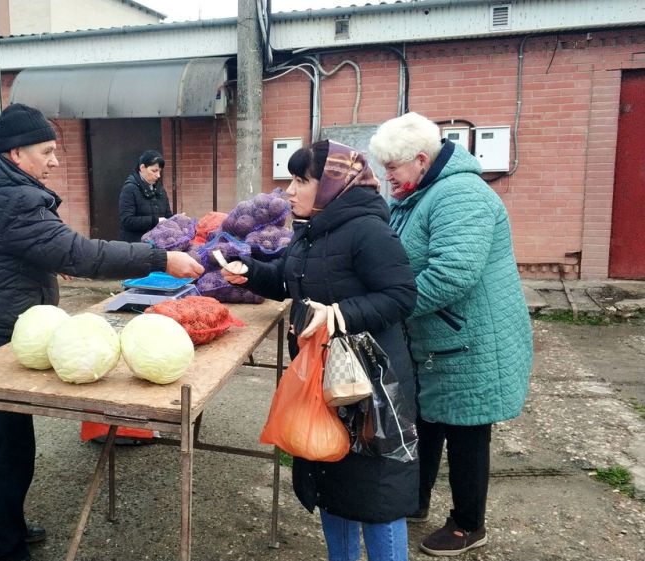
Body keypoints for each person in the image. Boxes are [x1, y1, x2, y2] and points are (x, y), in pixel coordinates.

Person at [0, 103, 203, 561]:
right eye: (46, 151)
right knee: (11, 449)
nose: (55, 161)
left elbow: (7, 250)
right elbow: (81, 255)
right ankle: (5, 549)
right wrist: (159, 259)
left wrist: (42, 259)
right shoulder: (14, 199)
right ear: (17, 153)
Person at [221, 140, 419, 561]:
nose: (289, 191)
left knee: (376, 492)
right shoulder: (312, 227)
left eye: (300, 180)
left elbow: (401, 296)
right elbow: (289, 282)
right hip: (322, 377)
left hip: (370, 384)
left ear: (333, 185)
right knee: (331, 473)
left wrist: (339, 313)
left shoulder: (368, 230)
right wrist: (250, 273)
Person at [369, 112, 533, 556]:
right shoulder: (420, 193)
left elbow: (452, 274)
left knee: (467, 428)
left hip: (472, 337)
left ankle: (468, 524)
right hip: (436, 335)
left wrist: (389, 307)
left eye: (393, 168)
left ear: (421, 159)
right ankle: (414, 500)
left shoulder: (461, 195)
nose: (388, 178)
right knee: (427, 418)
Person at [118, 149, 172, 242]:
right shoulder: (130, 189)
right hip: (135, 247)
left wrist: (177, 219)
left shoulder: (160, 189)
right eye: (154, 171)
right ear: (142, 167)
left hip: (157, 243)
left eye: (159, 171)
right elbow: (127, 220)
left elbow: (167, 216)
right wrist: (155, 221)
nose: (158, 175)